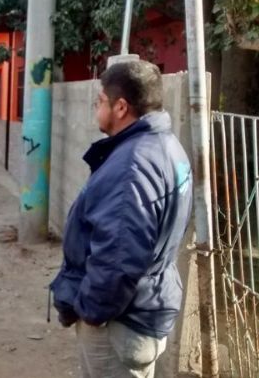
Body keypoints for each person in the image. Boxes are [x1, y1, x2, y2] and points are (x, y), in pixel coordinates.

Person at [49, 60, 193, 378]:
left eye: (100, 100)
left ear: (121, 107)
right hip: (144, 310)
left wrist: (91, 312)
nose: (95, 106)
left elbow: (119, 260)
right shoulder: (167, 147)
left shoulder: (132, 168)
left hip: (119, 325)